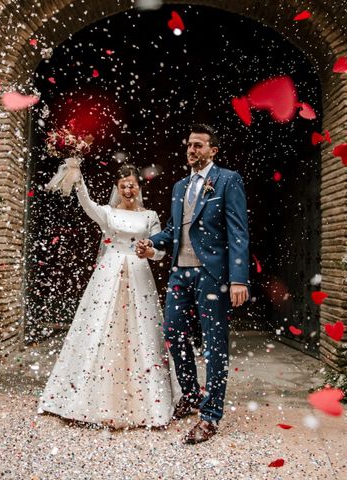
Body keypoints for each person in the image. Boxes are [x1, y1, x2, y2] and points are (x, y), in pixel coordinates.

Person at [39, 164, 176, 428]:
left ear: (138, 187)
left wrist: (149, 252)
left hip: (139, 275)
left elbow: (159, 250)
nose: (127, 189)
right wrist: (79, 181)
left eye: (132, 184)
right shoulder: (108, 213)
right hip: (109, 274)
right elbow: (88, 204)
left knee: (142, 331)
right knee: (99, 329)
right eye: (123, 184)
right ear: (117, 187)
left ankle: (147, 400)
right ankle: (87, 397)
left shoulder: (150, 216)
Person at [137, 123, 250, 444]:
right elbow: (174, 230)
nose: (191, 150)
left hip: (211, 275)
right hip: (180, 273)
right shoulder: (179, 187)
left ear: (213, 150)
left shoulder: (228, 180)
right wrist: (151, 242)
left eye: (198, 145)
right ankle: (189, 394)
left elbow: (238, 232)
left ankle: (211, 414)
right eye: (189, 145)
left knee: (215, 344)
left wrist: (239, 278)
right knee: (173, 333)